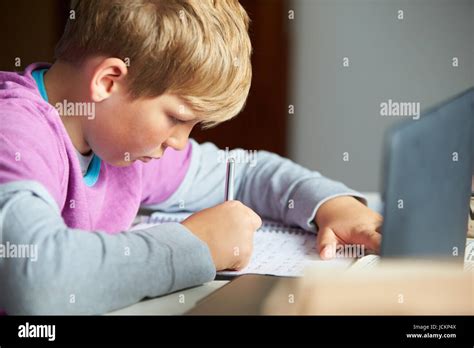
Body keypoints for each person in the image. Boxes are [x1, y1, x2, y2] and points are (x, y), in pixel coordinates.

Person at [0, 0, 382, 314]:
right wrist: (195, 245)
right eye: (177, 118)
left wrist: (332, 204)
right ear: (108, 82)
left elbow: (245, 173)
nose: (181, 144)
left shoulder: (121, 146)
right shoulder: (15, 132)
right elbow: (34, 280)